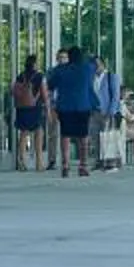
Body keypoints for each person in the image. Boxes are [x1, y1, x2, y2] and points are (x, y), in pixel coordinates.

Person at [48, 43, 99, 177]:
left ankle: (65, 165)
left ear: (69, 57)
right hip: (83, 106)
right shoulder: (87, 68)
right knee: (83, 137)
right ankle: (83, 165)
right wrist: (90, 57)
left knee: (65, 135)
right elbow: (95, 64)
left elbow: (50, 84)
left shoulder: (60, 70)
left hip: (65, 106)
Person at [8, 57, 47, 170]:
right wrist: (47, 107)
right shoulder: (39, 76)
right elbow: (44, 93)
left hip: (22, 108)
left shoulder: (21, 76)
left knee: (23, 133)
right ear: (35, 64)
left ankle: (21, 161)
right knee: (38, 132)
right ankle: (39, 162)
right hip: (35, 108)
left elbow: (13, 91)